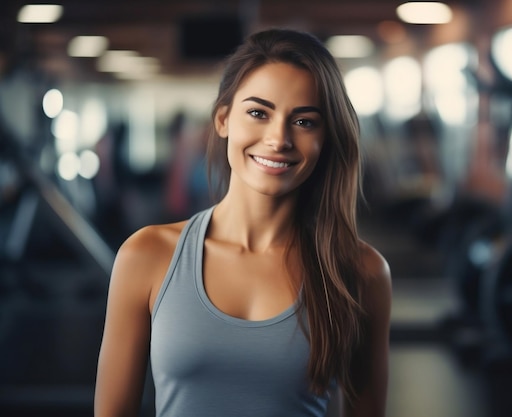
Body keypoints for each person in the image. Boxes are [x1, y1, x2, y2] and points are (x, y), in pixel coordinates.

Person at [94, 28, 392, 417]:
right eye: (258, 113)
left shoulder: (361, 272)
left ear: (327, 138)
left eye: (304, 122)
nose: (278, 138)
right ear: (222, 119)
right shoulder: (146, 256)